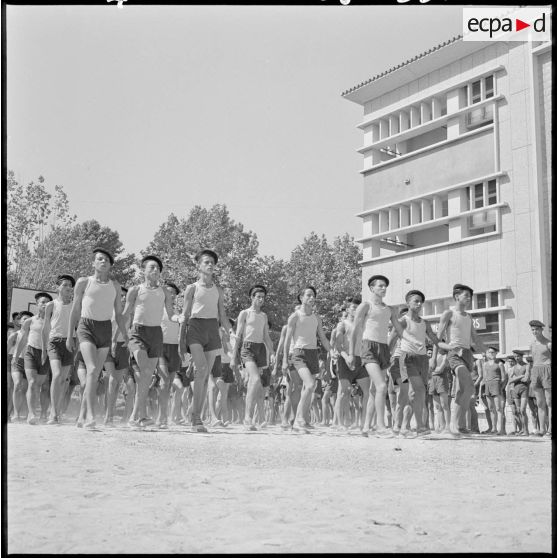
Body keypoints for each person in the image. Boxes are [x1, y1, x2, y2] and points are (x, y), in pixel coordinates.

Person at [348, 275, 418, 438]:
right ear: (372, 288)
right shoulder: (365, 306)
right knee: (381, 387)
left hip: (384, 349)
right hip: (368, 347)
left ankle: (366, 427)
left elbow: (400, 331)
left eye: (385, 286)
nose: (383, 288)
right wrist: (352, 353)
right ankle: (380, 426)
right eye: (380, 286)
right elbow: (355, 330)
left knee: (374, 390)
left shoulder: (390, 309)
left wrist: (412, 339)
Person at [67, 247, 129, 428]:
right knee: (92, 369)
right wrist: (71, 334)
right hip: (86, 326)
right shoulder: (84, 282)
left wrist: (124, 333)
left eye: (106, 260)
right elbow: (75, 309)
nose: (103, 262)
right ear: (94, 262)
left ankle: (82, 415)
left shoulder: (115, 286)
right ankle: (91, 417)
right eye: (100, 259)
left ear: (110, 266)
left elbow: (118, 313)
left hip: (105, 329)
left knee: (94, 374)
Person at [122, 255, 179, 429]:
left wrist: (180, 317)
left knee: (145, 376)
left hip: (156, 334)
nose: (155, 271)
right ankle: (138, 415)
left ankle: (138, 416)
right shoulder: (135, 290)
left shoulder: (164, 292)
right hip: (138, 332)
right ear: (143, 270)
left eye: (158, 268)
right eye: (152, 267)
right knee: (145, 371)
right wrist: (120, 336)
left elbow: (170, 314)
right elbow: (125, 315)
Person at [178, 249, 231, 433]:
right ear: (198, 265)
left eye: (212, 263)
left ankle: (196, 415)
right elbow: (184, 315)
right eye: (206, 262)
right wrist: (180, 341)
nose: (210, 265)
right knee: (200, 370)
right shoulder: (192, 288)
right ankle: (196, 419)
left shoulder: (219, 290)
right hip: (195, 328)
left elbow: (222, 315)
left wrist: (233, 332)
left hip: (212, 330)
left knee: (204, 376)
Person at [433, 283, 487, 435]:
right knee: (469, 387)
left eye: (470, 296)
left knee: (462, 390)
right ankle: (453, 424)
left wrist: (485, 350)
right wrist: (433, 358)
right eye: (466, 296)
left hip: (468, 354)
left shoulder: (469, 316)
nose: (469, 298)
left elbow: (475, 337)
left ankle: (460, 426)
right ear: (457, 297)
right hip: (455, 353)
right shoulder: (448, 314)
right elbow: (438, 339)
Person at [282, 286, 331, 431]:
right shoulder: (295, 316)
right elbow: (287, 340)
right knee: (309, 385)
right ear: (301, 298)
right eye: (308, 295)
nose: (312, 298)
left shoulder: (316, 318)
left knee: (307, 388)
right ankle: (298, 419)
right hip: (298, 354)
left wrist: (332, 351)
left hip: (313, 354)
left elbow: (322, 337)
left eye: (313, 295)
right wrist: (285, 360)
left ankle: (300, 419)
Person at [395, 290, 443, 436]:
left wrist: (449, 348)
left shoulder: (424, 323)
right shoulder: (403, 321)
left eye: (421, 301)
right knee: (416, 391)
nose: (419, 303)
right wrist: (388, 357)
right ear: (408, 303)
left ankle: (406, 426)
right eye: (416, 301)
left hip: (422, 360)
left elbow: (435, 341)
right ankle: (416, 426)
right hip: (407, 358)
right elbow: (392, 339)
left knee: (417, 394)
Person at [232, 285, 275, 431]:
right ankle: (247, 418)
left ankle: (261, 418)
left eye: (263, 297)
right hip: (247, 348)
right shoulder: (244, 313)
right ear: (252, 297)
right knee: (255, 379)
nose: (261, 300)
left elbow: (266, 337)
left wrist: (273, 352)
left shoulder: (264, 316)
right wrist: (233, 357)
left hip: (261, 349)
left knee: (260, 386)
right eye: (258, 297)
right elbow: (238, 335)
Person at [12, 293, 53, 424]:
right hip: (30, 352)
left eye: (48, 302)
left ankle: (42, 414)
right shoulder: (30, 321)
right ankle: (31, 414)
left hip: (46, 354)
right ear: (37, 304)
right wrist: (17, 355)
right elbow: (23, 339)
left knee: (40, 385)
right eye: (42, 302)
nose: (45, 304)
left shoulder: (53, 321)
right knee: (32, 383)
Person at [42, 274, 76, 425]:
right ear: (58, 287)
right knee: (56, 375)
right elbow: (45, 328)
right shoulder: (51, 305)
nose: (68, 287)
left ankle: (58, 410)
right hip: (54, 342)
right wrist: (44, 349)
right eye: (65, 285)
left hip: (70, 342)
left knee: (63, 380)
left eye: (70, 285)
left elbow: (79, 327)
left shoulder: (76, 305)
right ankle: (53, 413)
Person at [333, 296, 370, 433]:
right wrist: (347, 357)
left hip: (361, 360)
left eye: (358, 308)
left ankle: (364, 423)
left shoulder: (362, 325)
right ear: (348, 309)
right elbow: (338, 345)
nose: (356, 310)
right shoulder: (342, 324)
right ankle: (340, 423)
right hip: (345, 359)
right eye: (353, 308)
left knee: (368, 392)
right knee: (345, 392)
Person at [154, 280, 182, 429]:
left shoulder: (178, 313)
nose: (171, 294)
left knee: (169, 385)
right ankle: (161, 416)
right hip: (160, 348)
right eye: (168, 291)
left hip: (175, 349)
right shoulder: (158, 310)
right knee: (164, 382)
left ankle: (165, 415)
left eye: (173, 293)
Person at [103, 286, 131, 425]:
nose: (124, 298)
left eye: (126, 296)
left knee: (117, 383)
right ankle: (108, 415)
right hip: (108, 346)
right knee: (112, 380)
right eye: (121, 295)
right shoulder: (108, 310)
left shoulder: (130, 313)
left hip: (123, 348)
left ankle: (110, 414)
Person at [528, 320, 552, 437]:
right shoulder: (532, 344)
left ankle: (551, 429)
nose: (534, 331)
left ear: (541, 329)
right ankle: (541, 429)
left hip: (547, 370)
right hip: (535, 371)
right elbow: (533, 359)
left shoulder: (549, 343)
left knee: (550, 402)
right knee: (540, 403)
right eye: (532, 329)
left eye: (536, 329)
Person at [10, 311, 33, 421]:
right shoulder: (15, 334)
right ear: (19, 321)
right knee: (17, 384)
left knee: (25, 389)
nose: (26, 321)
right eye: (24, 319)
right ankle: (15, 413)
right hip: (17, 361)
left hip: (30, 363)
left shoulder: (35, 334)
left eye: (29, 319)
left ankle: (24, 412)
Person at [480, 347, 506, 434]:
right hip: (488, 386)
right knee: (491, 408)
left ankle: (501, 429)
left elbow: (503, 378)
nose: (491, 354)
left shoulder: (500, 364)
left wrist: (500, 387)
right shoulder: (485, 364)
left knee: (499, 408)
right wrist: (482, 389)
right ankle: (493, 429)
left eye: (493, 352)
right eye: (489, 352)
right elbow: (484, 377)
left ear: (496, 353)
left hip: (496, 385)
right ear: (487, 353)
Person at [506, 355, 530, 436]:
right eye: (515, 356)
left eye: (518, 356)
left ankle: (526, 430)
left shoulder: (526, 365)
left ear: (521, 356)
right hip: (514, 390)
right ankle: (521, 430)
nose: (516, 358)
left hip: (524, 389)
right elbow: (510, 380)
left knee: (522, 410)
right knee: (517, 411)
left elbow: (526, 379)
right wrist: (521, 376)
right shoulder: (513, 368)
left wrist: (516, 378)